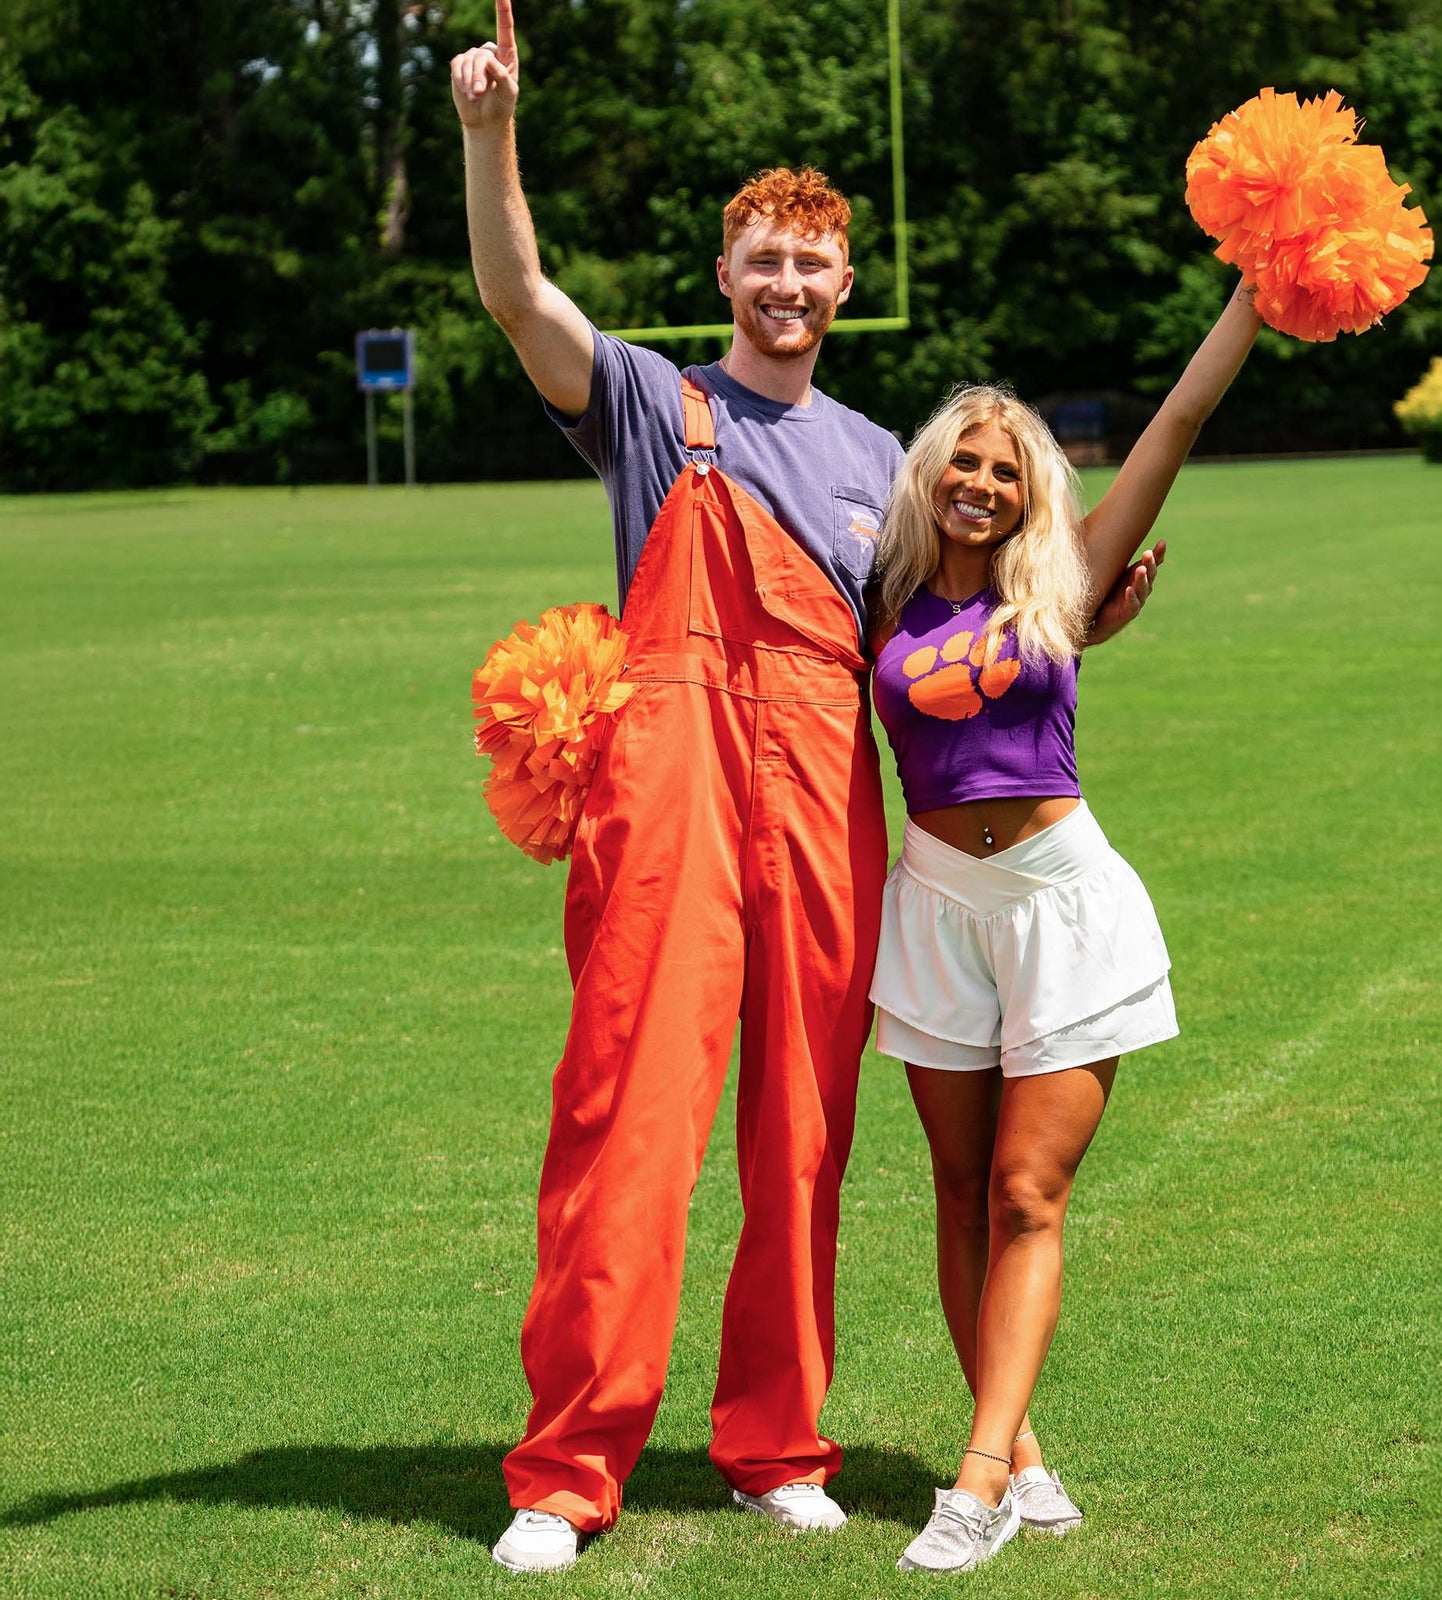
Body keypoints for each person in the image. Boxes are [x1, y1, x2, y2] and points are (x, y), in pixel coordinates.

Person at [450, 1, 1160, 1572]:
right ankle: (566, 1472)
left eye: (809, 262)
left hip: (826, 807)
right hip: (673, 797)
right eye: (758, 257)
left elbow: (954, 619)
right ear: (727, 277)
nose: (784, 281)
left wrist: (1076, 617)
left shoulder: (879, 468)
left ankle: (777, 1440)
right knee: (629, 1118)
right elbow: (517, 297)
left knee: (803, 1133)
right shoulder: (651, 402)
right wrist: (490, 135)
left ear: (847, 285)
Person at [868, 282, 1264, 1573]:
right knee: (957, 1191)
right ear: (929, 479)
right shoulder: (879, 599)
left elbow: (1180, 418)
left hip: (1058, 903)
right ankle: (1019, 1444)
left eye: (1002, 469)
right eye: (960, 465)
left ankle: (975, 1483)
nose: (978, 484)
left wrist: (1255, 294)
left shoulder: (1069, 580)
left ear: (1033, 489)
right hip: (934, 905)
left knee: (1028, 1193)